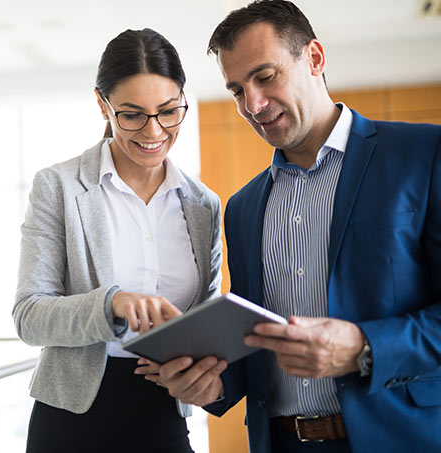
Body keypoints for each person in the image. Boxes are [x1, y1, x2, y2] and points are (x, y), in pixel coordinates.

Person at [144, 1, 441, 452]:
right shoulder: (242, 208)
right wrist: (211, 386)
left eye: (265, 77)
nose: (253, 105)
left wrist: (365, 345)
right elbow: (254, 344)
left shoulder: (423, 155)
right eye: (237, 90)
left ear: (315, 59)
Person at [13, 27, 222, 453]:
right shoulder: (60, 187)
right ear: (102, 105)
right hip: (72, 417)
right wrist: (112, 303)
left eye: (169, 111)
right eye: (132, 114)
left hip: (164, 407)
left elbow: (203, 319)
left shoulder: (204, 205)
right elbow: (29, 316)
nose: (154, 130)